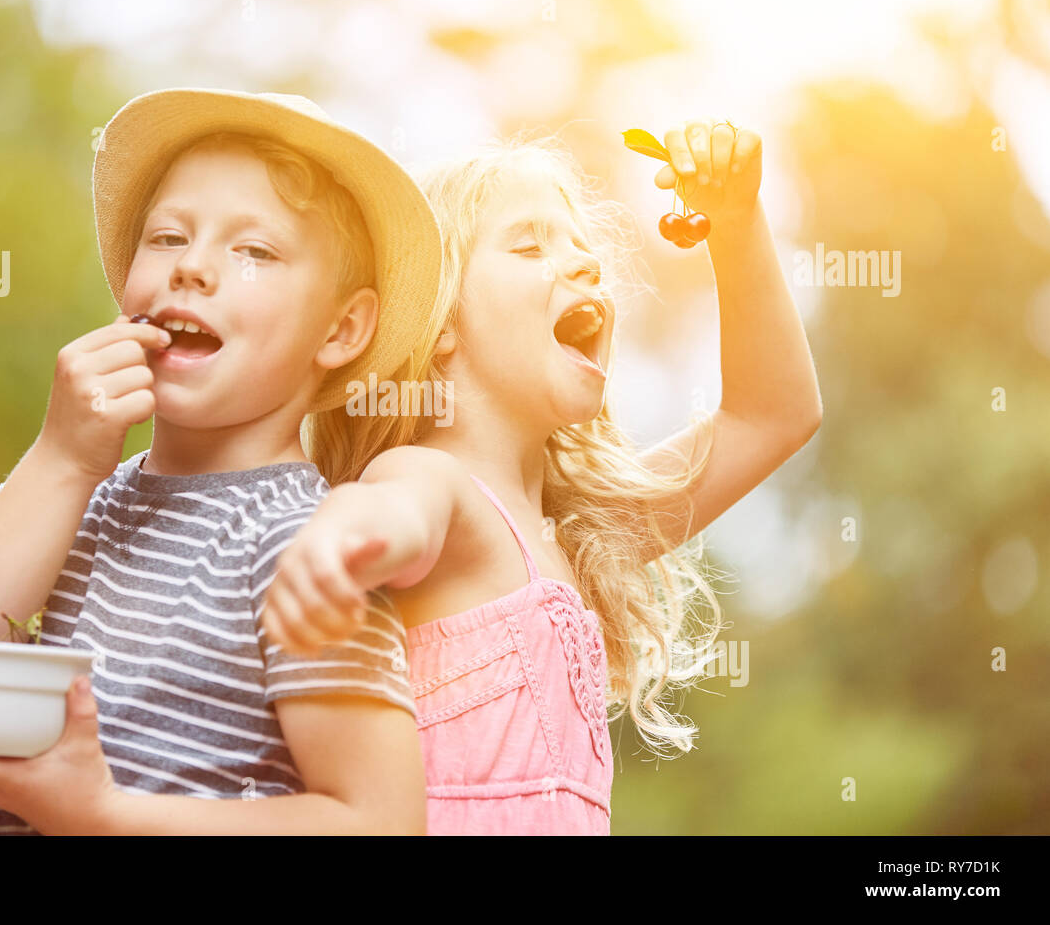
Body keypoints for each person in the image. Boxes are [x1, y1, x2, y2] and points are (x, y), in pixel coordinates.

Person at [0, 88, 441, 834]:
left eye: (254, 251)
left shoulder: (305, 546)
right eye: (168, 238)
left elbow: (377, 821)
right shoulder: (70, 495)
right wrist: (59, 457)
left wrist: (102, 815)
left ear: (342, 329)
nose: (194, 268)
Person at [263, 122, 824, 834]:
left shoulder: (581, 538)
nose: (585, 266)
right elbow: (397, 511)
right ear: (436, 326)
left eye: (586, 251)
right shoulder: (435, 479)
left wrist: (737, 223)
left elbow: (773, 415)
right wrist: (340, 541)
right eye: (529, 247)